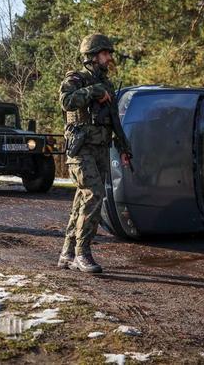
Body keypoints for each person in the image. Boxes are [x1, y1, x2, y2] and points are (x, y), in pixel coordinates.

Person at [57, 34, 132, 273]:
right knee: (94, 194)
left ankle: (67, 254)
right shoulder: (76, 79)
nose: (109, 58)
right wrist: (92, 91)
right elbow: (66, 101)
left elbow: (113, 121)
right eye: (105, 53)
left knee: (83, 199)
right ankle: (82, 253)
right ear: (92, 56)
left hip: (100, 149)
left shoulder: (107, 84)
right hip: (80, 150)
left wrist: (123, 147)